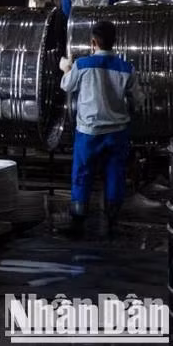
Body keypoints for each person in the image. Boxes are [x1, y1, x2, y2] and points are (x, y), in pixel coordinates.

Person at [58, 21, 143, 239]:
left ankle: (78, 221)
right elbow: (138, 101)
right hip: (117, 132)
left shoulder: (82, 65)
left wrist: (66, 68)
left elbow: (67, 86)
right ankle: (112, 221)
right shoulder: (127, 68)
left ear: (93, 42)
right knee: (115, 174)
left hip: (89, 132)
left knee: (82, 173)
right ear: (115, 42)